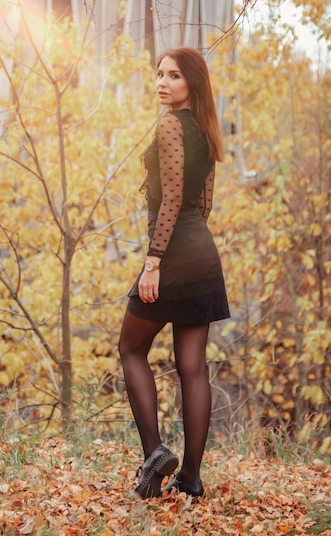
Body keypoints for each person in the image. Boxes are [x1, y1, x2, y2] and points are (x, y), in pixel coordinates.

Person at [118, 47, 230, 500]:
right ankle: (192, 479)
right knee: (192, 369)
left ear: (192, 84)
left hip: (173, 255)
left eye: (174, 76)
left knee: (130, 348)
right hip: (203, 253)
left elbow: (171, 201)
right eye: (159, 74)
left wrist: (153, 262)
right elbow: (203, 203)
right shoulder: (206, 130)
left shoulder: (169, 125)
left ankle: (155, 454)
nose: (162, 82)